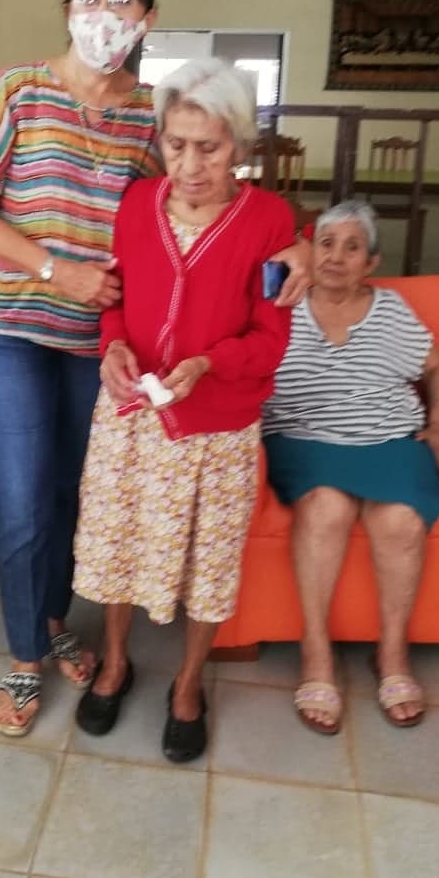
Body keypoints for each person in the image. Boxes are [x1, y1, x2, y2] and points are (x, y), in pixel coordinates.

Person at [0, 0, 309, 738]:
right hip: (15, 324)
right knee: (20, 502)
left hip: (104, 349)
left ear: (147, 15)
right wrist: (55, 270)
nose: (101, 14)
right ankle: (23, 655)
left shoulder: (152, 117)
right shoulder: (17, 91)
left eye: (120, 0)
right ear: (68, 3)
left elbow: (197, 208)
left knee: (77, 499)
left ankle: (52, 622)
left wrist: (298, 244)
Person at [72, 58, 295, 763]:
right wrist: (111, 349)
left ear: (240, 145)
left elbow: (271, 338)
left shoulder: (270, 221)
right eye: (176, 143)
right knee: (116, 546)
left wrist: (210, 364)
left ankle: (189, 685)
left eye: (210, 146)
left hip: (218, 424)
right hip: (133, 413)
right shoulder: (137, 204)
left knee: (208, 559)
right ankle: (114, 662)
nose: (191, 164)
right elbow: (118, 300)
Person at [261, 200, 439, 734]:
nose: (336, 257)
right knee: (325, 507)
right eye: (326, 243)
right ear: (310, 250)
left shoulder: (391, 310)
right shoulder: (280, 302)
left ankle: (391, 654)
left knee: (400, 519)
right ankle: (316, 652)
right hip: (303, 437)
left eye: (352, 248)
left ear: (371, 263)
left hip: (390, 436)